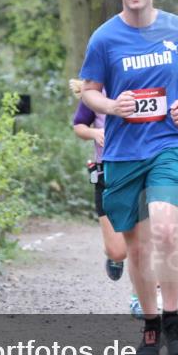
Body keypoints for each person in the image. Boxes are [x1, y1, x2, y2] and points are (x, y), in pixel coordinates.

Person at [79, 0, 178, 355]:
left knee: (166, 231)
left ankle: (173, 319)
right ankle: (151, 325)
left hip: (169, 143)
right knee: (135, 249)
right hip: (122, 153)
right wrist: (112, 106)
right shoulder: (104, 39)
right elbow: (88, 91)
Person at [69, 79, 144, 320]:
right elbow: (79, 125)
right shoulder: (95, 93)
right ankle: (114, 257)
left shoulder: (140, 83)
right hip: (106, 173)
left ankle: (139, 298)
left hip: (138, 170)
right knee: (118, 251)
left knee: (141, 243)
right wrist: (94, 132)